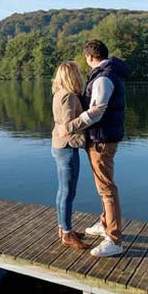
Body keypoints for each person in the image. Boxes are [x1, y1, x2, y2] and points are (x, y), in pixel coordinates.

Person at [78, 40, 131, 257]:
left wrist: (73, 124)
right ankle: (105, 223)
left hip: (101, 140)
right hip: (103, 138)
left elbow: (97, 111)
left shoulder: (102, 78)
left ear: (90, 57)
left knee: (106, 188)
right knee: (104, 185)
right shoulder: (108, 74)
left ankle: (114, 239)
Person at [51, 61, 101, 250]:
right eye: (77, 72)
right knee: (67, 192)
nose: (80, 75)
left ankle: (63, 228)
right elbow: (68, 124)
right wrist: (90, 114)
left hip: (59, 145)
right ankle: (66, 234)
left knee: (63, 190)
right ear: (72, 75)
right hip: (66, 147)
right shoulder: (69, 96)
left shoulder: (58, 93)